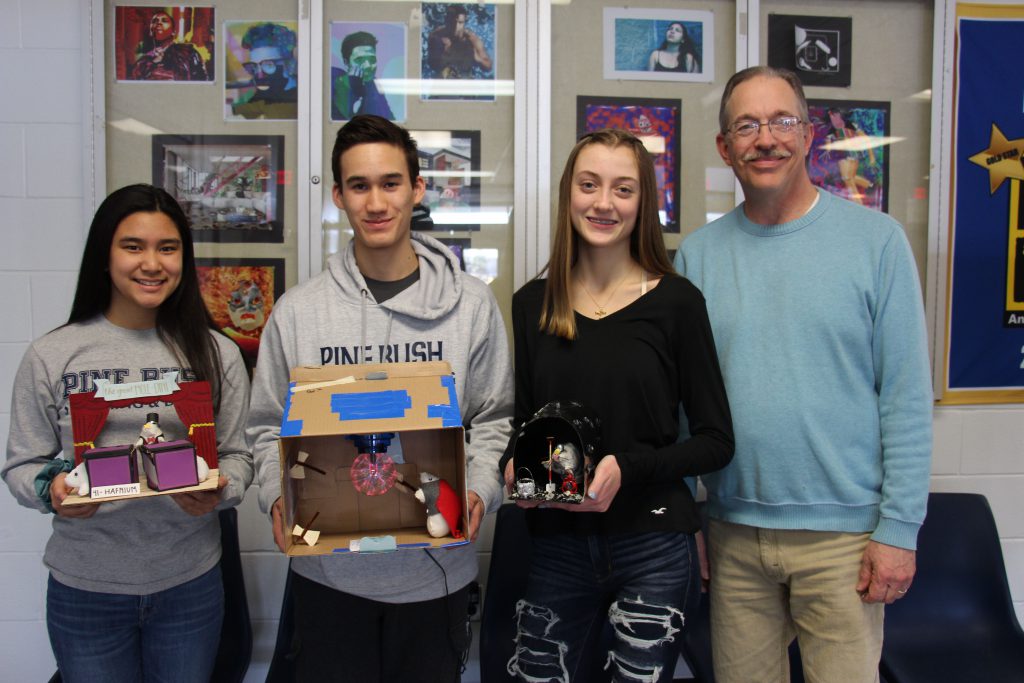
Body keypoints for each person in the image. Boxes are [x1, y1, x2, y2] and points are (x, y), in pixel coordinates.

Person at [674, 66, 933, 683]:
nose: (766, 139)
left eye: (782, 121)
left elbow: (904, 399)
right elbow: (681, 409)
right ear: (725, 147)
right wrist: (691, 520)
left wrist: (899, 530)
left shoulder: (877, 244)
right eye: (746, 125)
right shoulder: (697, 257)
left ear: (809, 134)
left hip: (844, 540)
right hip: (733, 534)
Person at [247, 114, 513, 682]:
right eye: (359, 186)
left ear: (417, 188)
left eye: (390, 183)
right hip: (328, 577)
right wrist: (276, 498)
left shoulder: (470, 306)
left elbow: (495, 419)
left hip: (435, 575)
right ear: (339, 195)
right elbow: (266, 423)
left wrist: (482, 492)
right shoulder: (299, 312)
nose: (376, 202)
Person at [498, 129, 734, 682]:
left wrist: (626, 469)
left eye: (623, 189)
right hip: (556, 547)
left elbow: (716, 441)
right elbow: (526, 425)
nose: (604, 203)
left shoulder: (677, 302)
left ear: (642, 203)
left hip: (653, 542)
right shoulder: (533, 303)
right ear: (568, 195)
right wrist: (514, 465)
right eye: (590, 185)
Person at [2, 184, 253, 682]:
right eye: (132, 246)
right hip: (85, 588)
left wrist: (221, 490)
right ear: (104, 255)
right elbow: (22, 464)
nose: (151, 264)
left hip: (190, 584)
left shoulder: (216, 353)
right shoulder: (53, 355)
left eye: (168, 247)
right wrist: (51, 491)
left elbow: (238, 457)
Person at [231, 22, 298, 120]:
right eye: (254, 66)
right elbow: (244, 108)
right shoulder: (266, 94)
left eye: (268, 65)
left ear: (288, 63)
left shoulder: (302, 98)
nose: (260, 75)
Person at [332, 30, 395, 121]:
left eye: (372, 59)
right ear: (346, 62)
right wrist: (352, 89)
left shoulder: (373, 86)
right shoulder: (335, 83)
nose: (368, 66)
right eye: (359, 60)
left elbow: (389, 121)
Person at [130, 9, 209, 81]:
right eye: (155, 21)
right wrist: (153, 63)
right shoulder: (141, 63)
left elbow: (202, 80)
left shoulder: (188, 52)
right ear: (151, 32)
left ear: (173, 32)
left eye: (164, 21)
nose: (159, 23)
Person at [426, 4, 493, 79]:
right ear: (446, 20)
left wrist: (477, 59)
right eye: (452, 22)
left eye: (460, 23)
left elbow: (488, 67)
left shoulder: (472, 40)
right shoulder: (436, 36)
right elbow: (431, 65)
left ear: (465, 22)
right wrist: (442, 53)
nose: (456, 27)